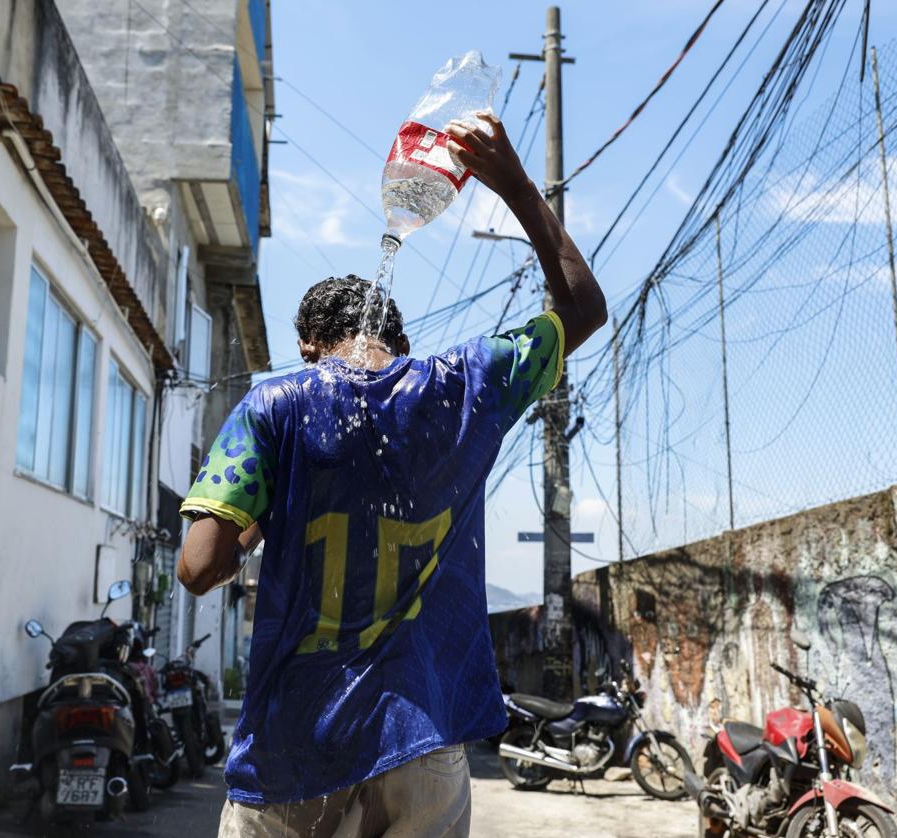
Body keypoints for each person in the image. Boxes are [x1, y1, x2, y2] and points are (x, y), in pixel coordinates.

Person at [177, 113, 606, 837]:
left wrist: (262, 519)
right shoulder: (465, 388)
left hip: (293, 747)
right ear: (400, 340)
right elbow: (583, 308)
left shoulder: (275, 407)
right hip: (422, 743)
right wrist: (513, 184)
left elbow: (198, 566)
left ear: (310, 344)